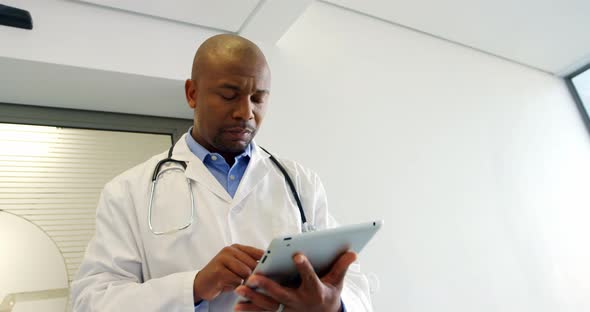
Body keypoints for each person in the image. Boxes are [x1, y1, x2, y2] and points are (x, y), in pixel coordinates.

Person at [71, 34, 373, 311]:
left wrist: (335, 306)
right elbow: (91, 300)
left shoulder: (300, 183)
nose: (246, 112)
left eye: (257, 98)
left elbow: (354, 282)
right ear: (192, 93)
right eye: (229, 95)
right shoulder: (127, 191)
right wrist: (194, 286)